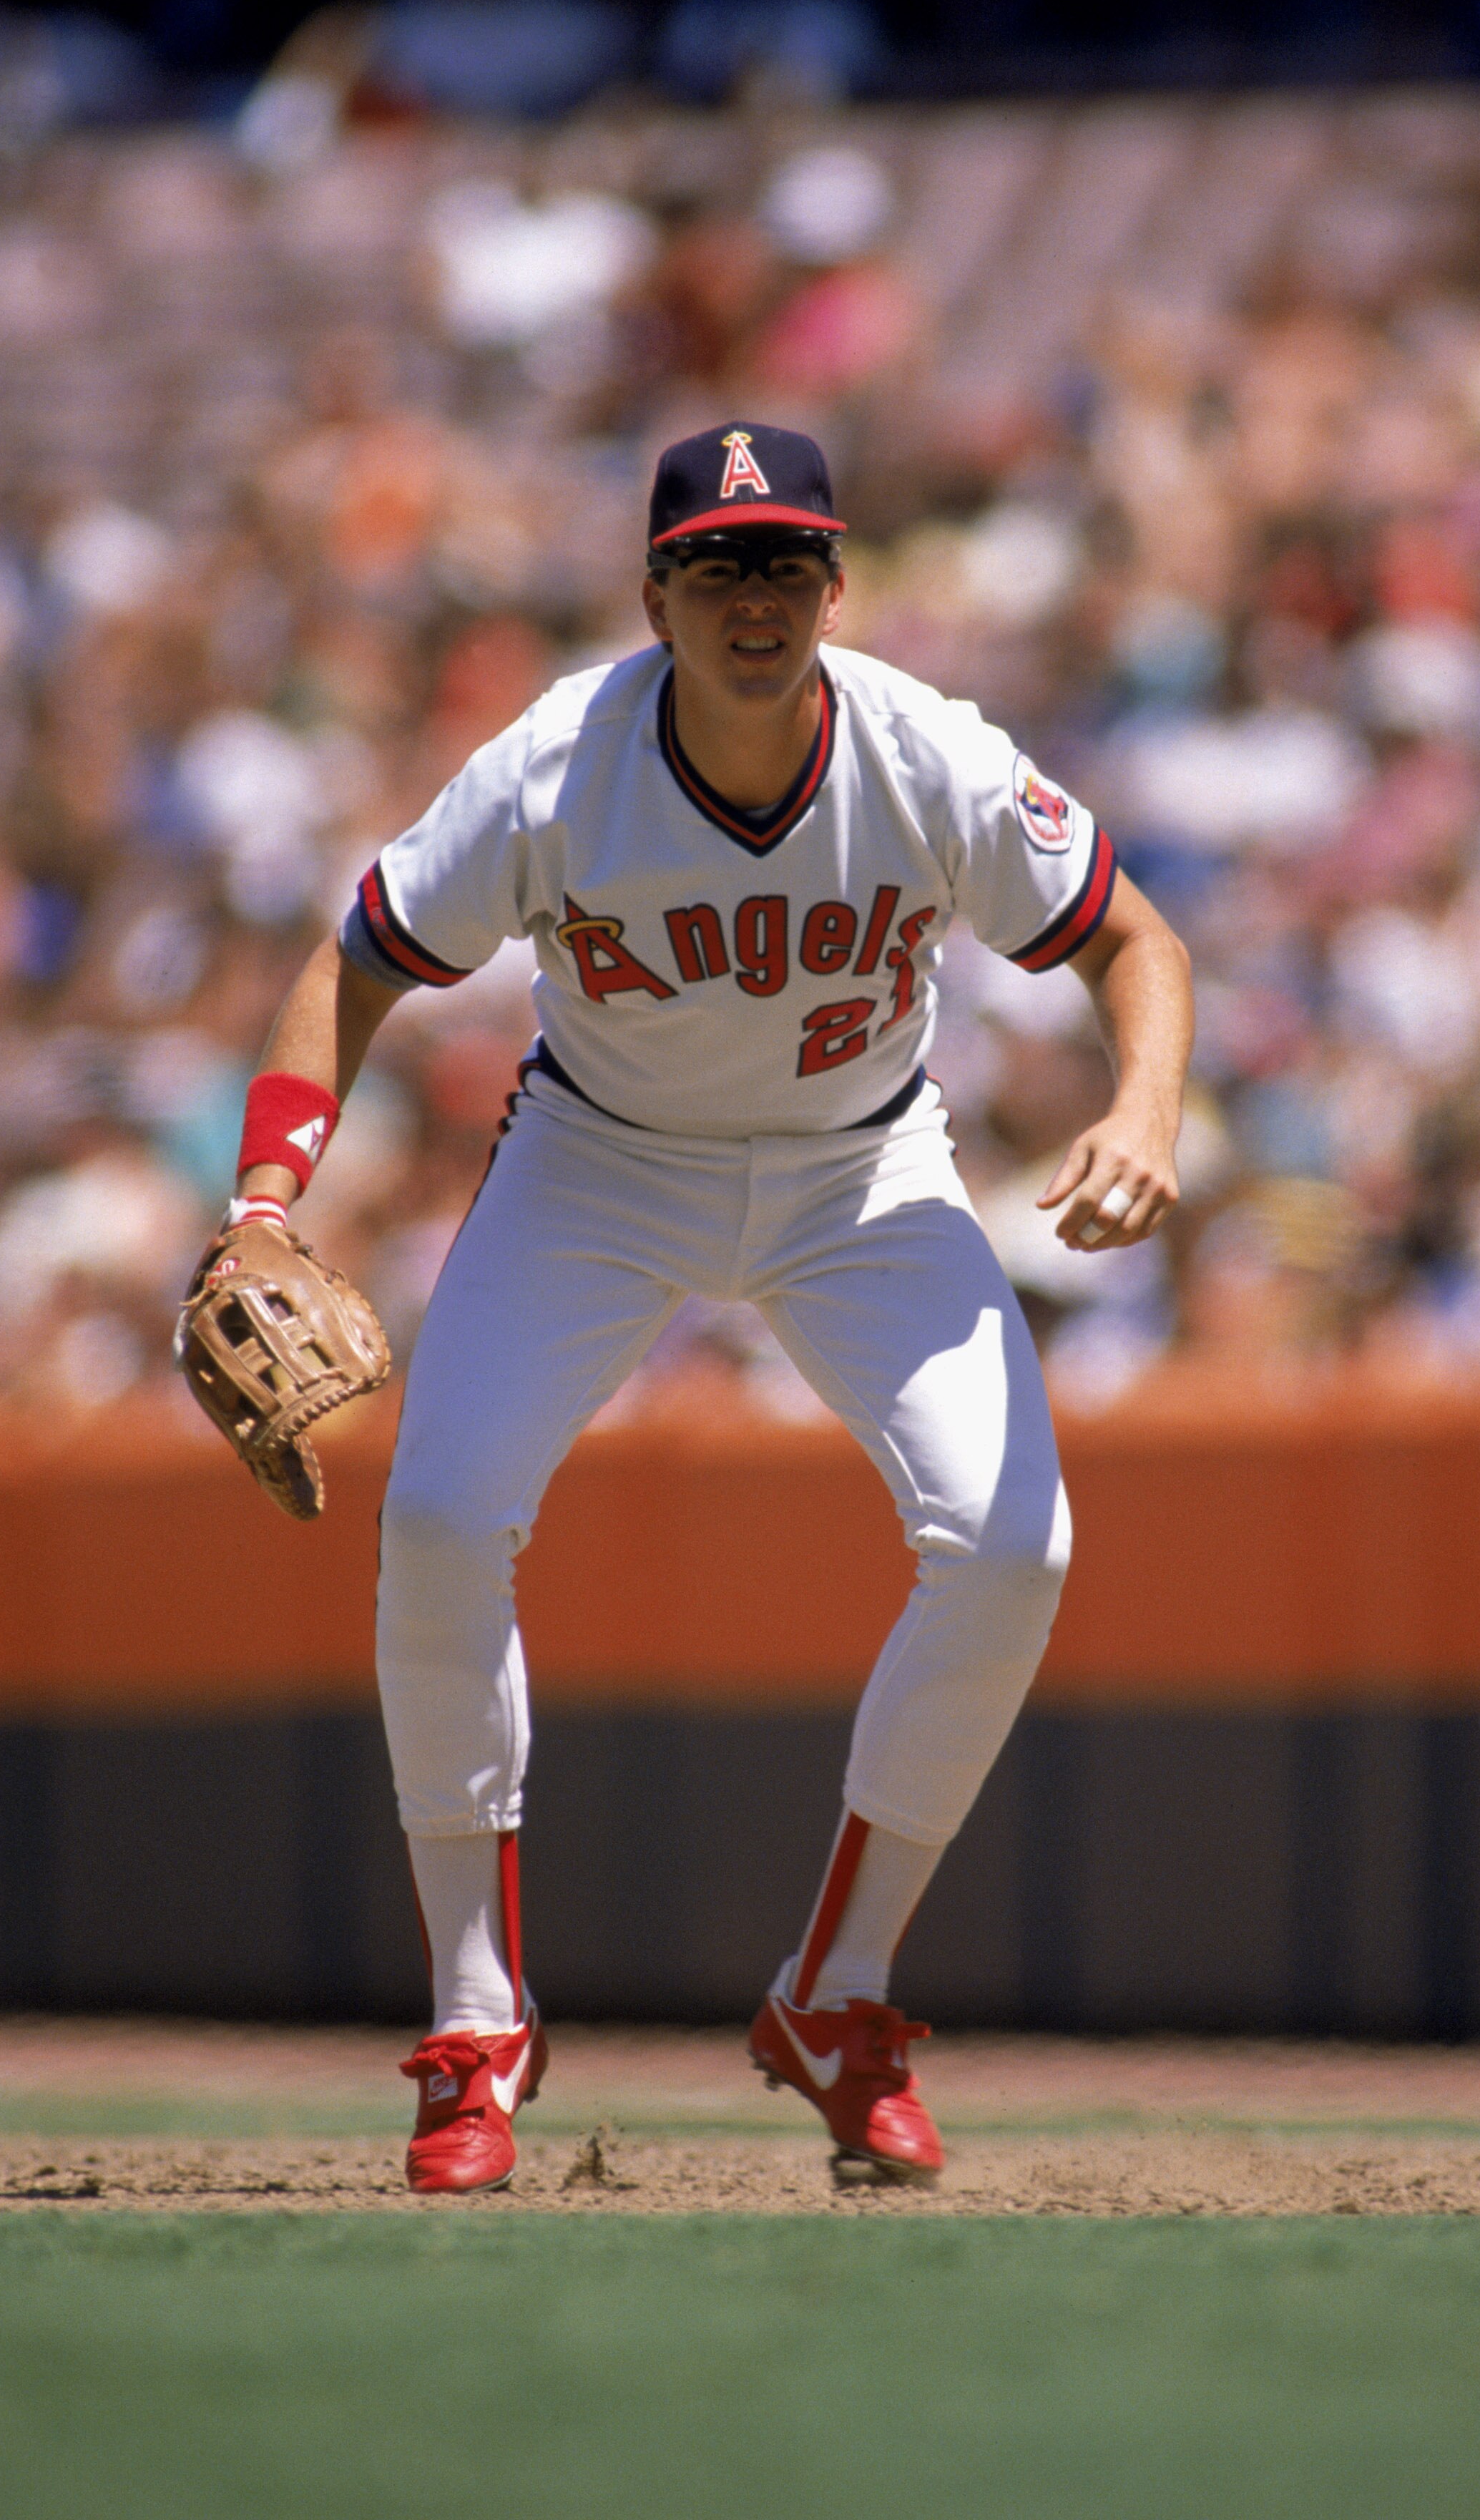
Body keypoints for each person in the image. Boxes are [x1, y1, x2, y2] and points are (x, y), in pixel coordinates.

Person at [219, 422, 1192, 2192]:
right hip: (598, 1160)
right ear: (652, 590)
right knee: (438, 1516)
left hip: (863, 1171)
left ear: (835, 584)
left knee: (1009, 1547)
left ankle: (840, 1990)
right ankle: (471, 2017)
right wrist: (262, 1201)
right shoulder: (553, 765)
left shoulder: (922, 751)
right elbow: (355, 958)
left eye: (786, 560)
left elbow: (1137, 937)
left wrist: (1141, 1110)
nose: (755, 596)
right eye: (718, 562)